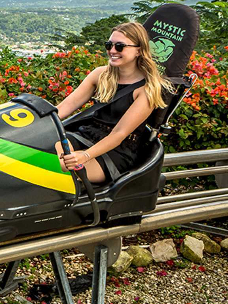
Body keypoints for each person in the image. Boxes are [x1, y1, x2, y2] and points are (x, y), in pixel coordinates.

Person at [54, 21, 172, 183]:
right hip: (87, 135)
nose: (112, 51)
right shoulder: (100, 75)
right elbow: (65, 106)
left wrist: (85, 155)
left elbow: (119, 134)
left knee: (61, 168)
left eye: (120, 46)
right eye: (109, 45)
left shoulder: (146, 89)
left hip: (116, 151)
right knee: (44, 148)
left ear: (138, 50)